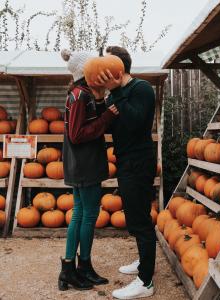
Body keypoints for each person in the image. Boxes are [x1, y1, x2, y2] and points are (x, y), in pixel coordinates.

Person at [95, 46, 157, 299]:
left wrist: (116, 91)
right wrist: (101, 98)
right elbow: (107, 123)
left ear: (116, 69)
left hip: (139, 161)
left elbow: (135, 122)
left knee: (141, 220)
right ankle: (144, 263)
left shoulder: (141, 89)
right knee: (133, 215)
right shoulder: (116, 94)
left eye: (104, 67)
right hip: (125, 161)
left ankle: (146, 282)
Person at [58, 49, 116, 291]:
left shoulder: (82, 94)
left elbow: (87, 122)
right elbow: (77, 134)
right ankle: (74, 267)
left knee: (81, 213)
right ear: (86, 72)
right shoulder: (80, 96)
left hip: (81, 164)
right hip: (84, 164)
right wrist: (107, 119)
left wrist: (101, 101)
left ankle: (76, 268)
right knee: (88, 214)